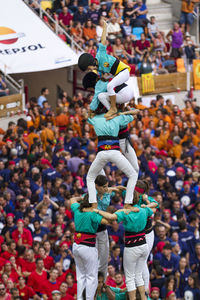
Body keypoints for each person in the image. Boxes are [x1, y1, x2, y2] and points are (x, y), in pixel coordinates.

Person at [93, 190, 154, 300]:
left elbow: (111, 217)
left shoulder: (125, 212)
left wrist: (97, 211)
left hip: (132, 247)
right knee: (139, 275)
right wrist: (146, 202)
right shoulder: (143, 209)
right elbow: (153, 208)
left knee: (130, 277)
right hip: (143, 245)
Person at [83, 109, 139, 206]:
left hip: (102, 153)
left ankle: (93, 204)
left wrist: (92, 111)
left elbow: (84, 115)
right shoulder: (118, 117)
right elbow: (135, 114)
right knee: (133, 175)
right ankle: (128, 203)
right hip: (115, 152)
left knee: (90, 178)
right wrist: (122, 113)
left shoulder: (96, 119)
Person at [78, 20, 130, 119]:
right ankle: (116, 109)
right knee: (102, 93)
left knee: (110, 85)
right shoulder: (98, 69)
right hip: (117, 75)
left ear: (89, 64)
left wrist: (105, 28)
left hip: (124, 72)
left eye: (87, 68)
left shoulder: (100, 55)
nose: (89, 70)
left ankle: (113, 109)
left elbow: (102, 41)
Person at [70, 194, 109, 300]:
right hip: (88, 246)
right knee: (92, 277)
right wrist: (99, 212)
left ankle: (80, 298)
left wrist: (81, 198)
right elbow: (107, 221)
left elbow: (72, 199)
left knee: (81, 276)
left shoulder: (78, 209)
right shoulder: (92, 214)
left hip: (76, 246)